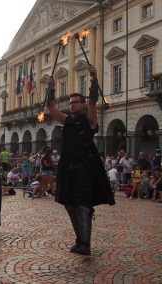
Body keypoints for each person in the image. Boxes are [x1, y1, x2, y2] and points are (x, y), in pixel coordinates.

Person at [47, 65, 115, 255]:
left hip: (85, 169)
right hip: (68, 169)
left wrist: (94, 78)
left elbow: (93, 100)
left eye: (76, 102)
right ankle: (79, 240)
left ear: (83, 104)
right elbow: (51, 107)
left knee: (83, 205)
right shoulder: (67, 121)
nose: (73, 104)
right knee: (69, 204)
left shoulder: (89, 120)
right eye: (71, 102)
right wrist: (51, 88)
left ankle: (86, 244)